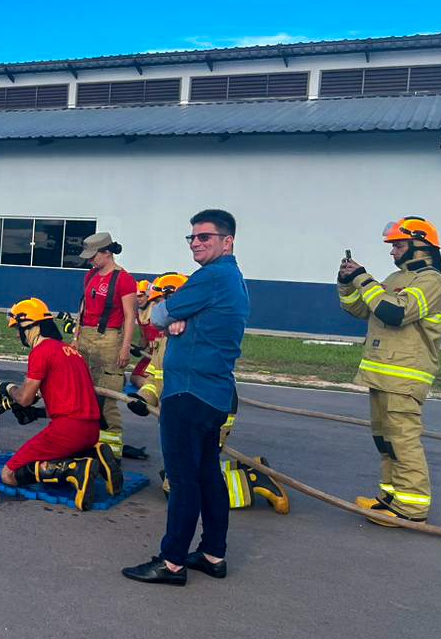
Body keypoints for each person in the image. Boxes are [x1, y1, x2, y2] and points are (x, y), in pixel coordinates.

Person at [122, 210, 249, 586]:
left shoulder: (211, 277)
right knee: (208, 474)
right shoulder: (234, 280)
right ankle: (213, 553)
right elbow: (171, 318)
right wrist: (181, 320)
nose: (196, 242)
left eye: (205, 237)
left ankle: (172, 561)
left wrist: (172, 318)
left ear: (228, 241)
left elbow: (159, 314)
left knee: (183, 479)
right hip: (214, 392)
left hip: (188, 392)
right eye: (192, 237)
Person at [132, 273, 289, 515]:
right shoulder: (166, 338)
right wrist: (144, 398)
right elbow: (157, 375)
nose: (157, 309)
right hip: (190, 407)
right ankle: (250, 467)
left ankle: (254, 481)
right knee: (187, 473)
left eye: (160, 302)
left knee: (184, 485)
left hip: (210, 405)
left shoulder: (195, 331)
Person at [337, 216, 441, 525]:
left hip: (405, 376)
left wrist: (362, 278)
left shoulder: (431, 280)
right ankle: (390, 498)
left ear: (419, 245)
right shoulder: (396, 278)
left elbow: (395, 312)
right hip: (383, 373)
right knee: (385, 442)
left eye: (397, 245)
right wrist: (346, 282)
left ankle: (411, 509)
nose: (392, 252)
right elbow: (362, 308)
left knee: (402, 441)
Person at [0, 298, 123, 511]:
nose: (18, 334)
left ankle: (76, 469)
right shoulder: (70, 352)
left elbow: (24, 397)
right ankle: (94, 454)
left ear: (30, 326)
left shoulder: (41, 352)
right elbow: (69, 398)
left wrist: (7, 388)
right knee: (52, 457)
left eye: (18, 328)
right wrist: (36, 413)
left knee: (9, 475)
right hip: (91, 431)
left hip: (68, 432)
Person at [72, 232, 139, 458]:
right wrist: (76, 336)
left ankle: (112, 453)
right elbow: (83, 307)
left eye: (93, 256)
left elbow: (130, 316)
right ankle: (86, 441)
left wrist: (125, 348)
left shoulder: (124, 279)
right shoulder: (90, 275)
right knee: (82, 393)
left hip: (110, 340)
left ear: (107, 253)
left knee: (108, 397)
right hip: (85, 339)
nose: (90, 260)